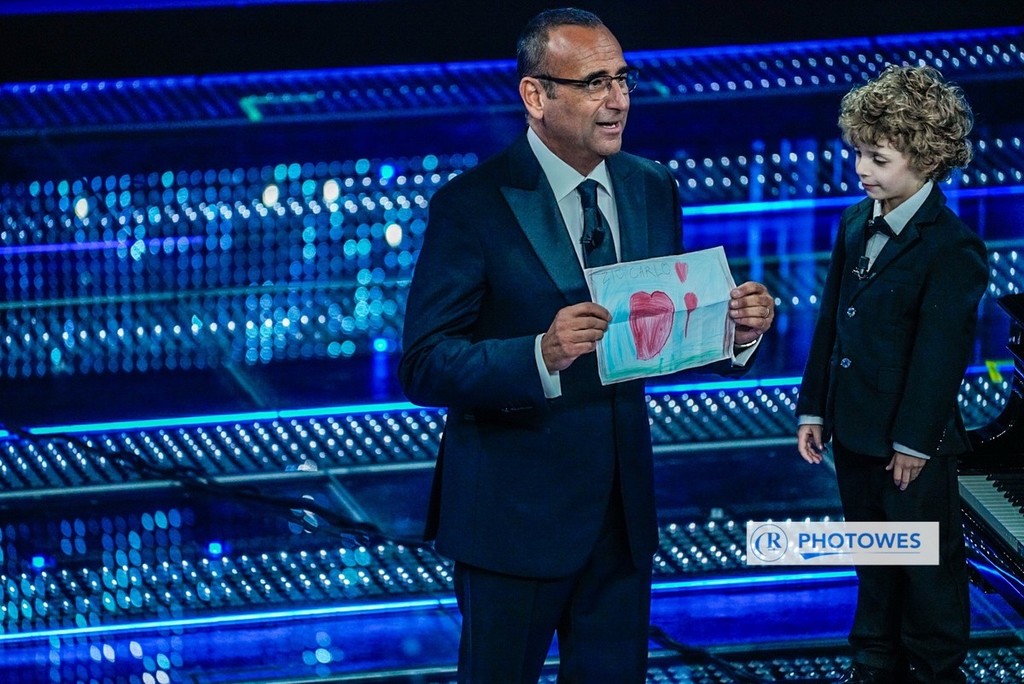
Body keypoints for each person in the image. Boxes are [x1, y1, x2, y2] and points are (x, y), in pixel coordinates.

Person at [399, 7, 774, 682]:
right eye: (595, 82)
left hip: (622, 524)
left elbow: (657, 333)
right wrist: (538, 354)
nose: (619, 100)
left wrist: (733, 333)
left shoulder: (650, 185)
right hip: (512, 524)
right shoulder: (472, 205)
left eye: (623, 79)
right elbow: (425, 364)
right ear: (535, 95)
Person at [796, 64, 987, 684]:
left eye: (878, 159)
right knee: (873, 561)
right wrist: (814, 407)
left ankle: (934, 669)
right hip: (854, 433)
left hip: (911, 448)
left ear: (926, 159)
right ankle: (873, 662)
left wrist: (913, 441)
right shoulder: (856, 222)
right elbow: (831, 321)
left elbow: (941, 356)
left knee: (925, 570)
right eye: (858, 153)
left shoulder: (951, 247)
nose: (861, 169)